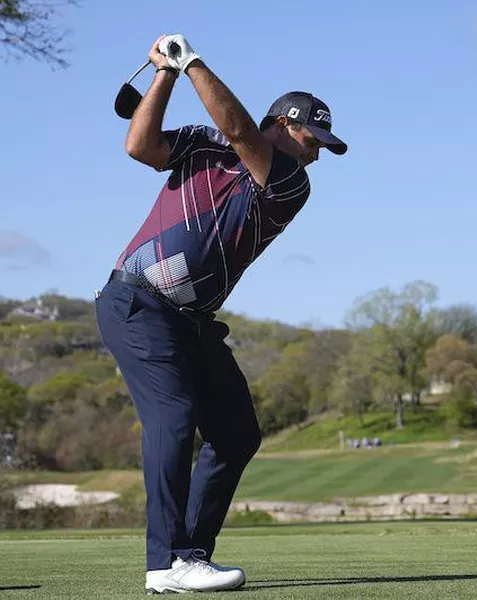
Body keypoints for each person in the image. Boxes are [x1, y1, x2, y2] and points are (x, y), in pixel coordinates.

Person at [94, 34, 347, 594]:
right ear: (284, 122)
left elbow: (239, 131)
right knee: (176, 415)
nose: (316, 153)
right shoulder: (202, 144)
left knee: (236, 433)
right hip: (136, 302)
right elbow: (140, 146)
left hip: (192, 321)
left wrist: (191, 64)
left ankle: (191, 555)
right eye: (313, 138)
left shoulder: (288, 185)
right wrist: (164, 73)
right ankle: (165, 562)